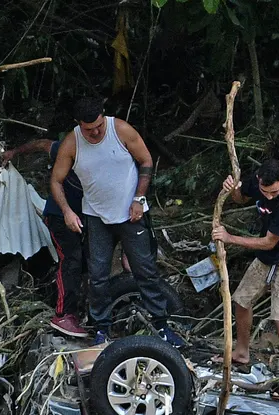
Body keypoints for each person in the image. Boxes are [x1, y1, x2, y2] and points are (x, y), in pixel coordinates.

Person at [50, 97, 184, 347]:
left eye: (99, 125)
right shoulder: (72, 143)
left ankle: (161, 325)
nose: (97, 132)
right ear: (79, 125)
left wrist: (139, 198)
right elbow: (56, 180)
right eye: (89, 129)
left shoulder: (120, 129)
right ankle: (101, 328)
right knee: (98, 275)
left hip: (131, 212)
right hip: (96, 216)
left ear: (103, 117)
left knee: (145, 270)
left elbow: (146, 161)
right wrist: (68, 211)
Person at [212, 160, 279, 401]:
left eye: (274, 191)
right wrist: (232, 188)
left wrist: (229, 237)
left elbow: (268, 241)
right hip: (265, 258)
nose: (269, 196)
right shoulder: (259, 183)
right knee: (241, 300)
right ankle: (242, 351)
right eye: (265, 192)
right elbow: (241, 198)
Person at [1, 137, 89, 337]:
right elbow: (41, 144)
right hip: (60, 215)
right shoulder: (69, 150)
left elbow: (41, 144)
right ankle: (63, 314)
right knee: (70, 259)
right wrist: (13, 153)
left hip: (85, 217)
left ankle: (81, 308)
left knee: (86, 261)